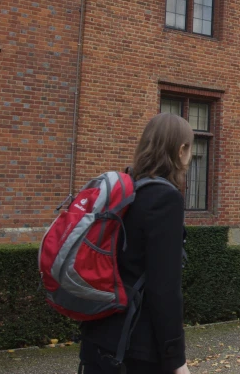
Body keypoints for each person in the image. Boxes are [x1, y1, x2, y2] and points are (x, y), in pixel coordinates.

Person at [79, 113, 194, 374]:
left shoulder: (127, 191)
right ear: (180, 150)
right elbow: (163, 288)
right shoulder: (165, 198)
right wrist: (176, 359)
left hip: (99, 333)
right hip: (134, 347)